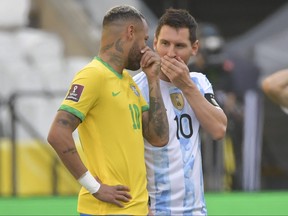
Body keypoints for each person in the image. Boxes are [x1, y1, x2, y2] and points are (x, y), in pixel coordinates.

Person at [47, 5, 169, 216]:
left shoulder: (128, 81)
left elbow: (158, 138)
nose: (146, 48)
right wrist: (94, 188)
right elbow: (57, 134)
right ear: (130, 32)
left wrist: (153, 80)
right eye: (144, 39)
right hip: (106, 210)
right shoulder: (93, 75)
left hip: (137, 209)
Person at [133, 8, 227, 215]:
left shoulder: (199, 83)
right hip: (154, 210)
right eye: (165, 43)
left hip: (195, 210)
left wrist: (186, 86)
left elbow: (219, 129)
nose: (171, 53)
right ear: (155, 42)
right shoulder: (135, 88)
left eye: (180, 46)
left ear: (194, 48)